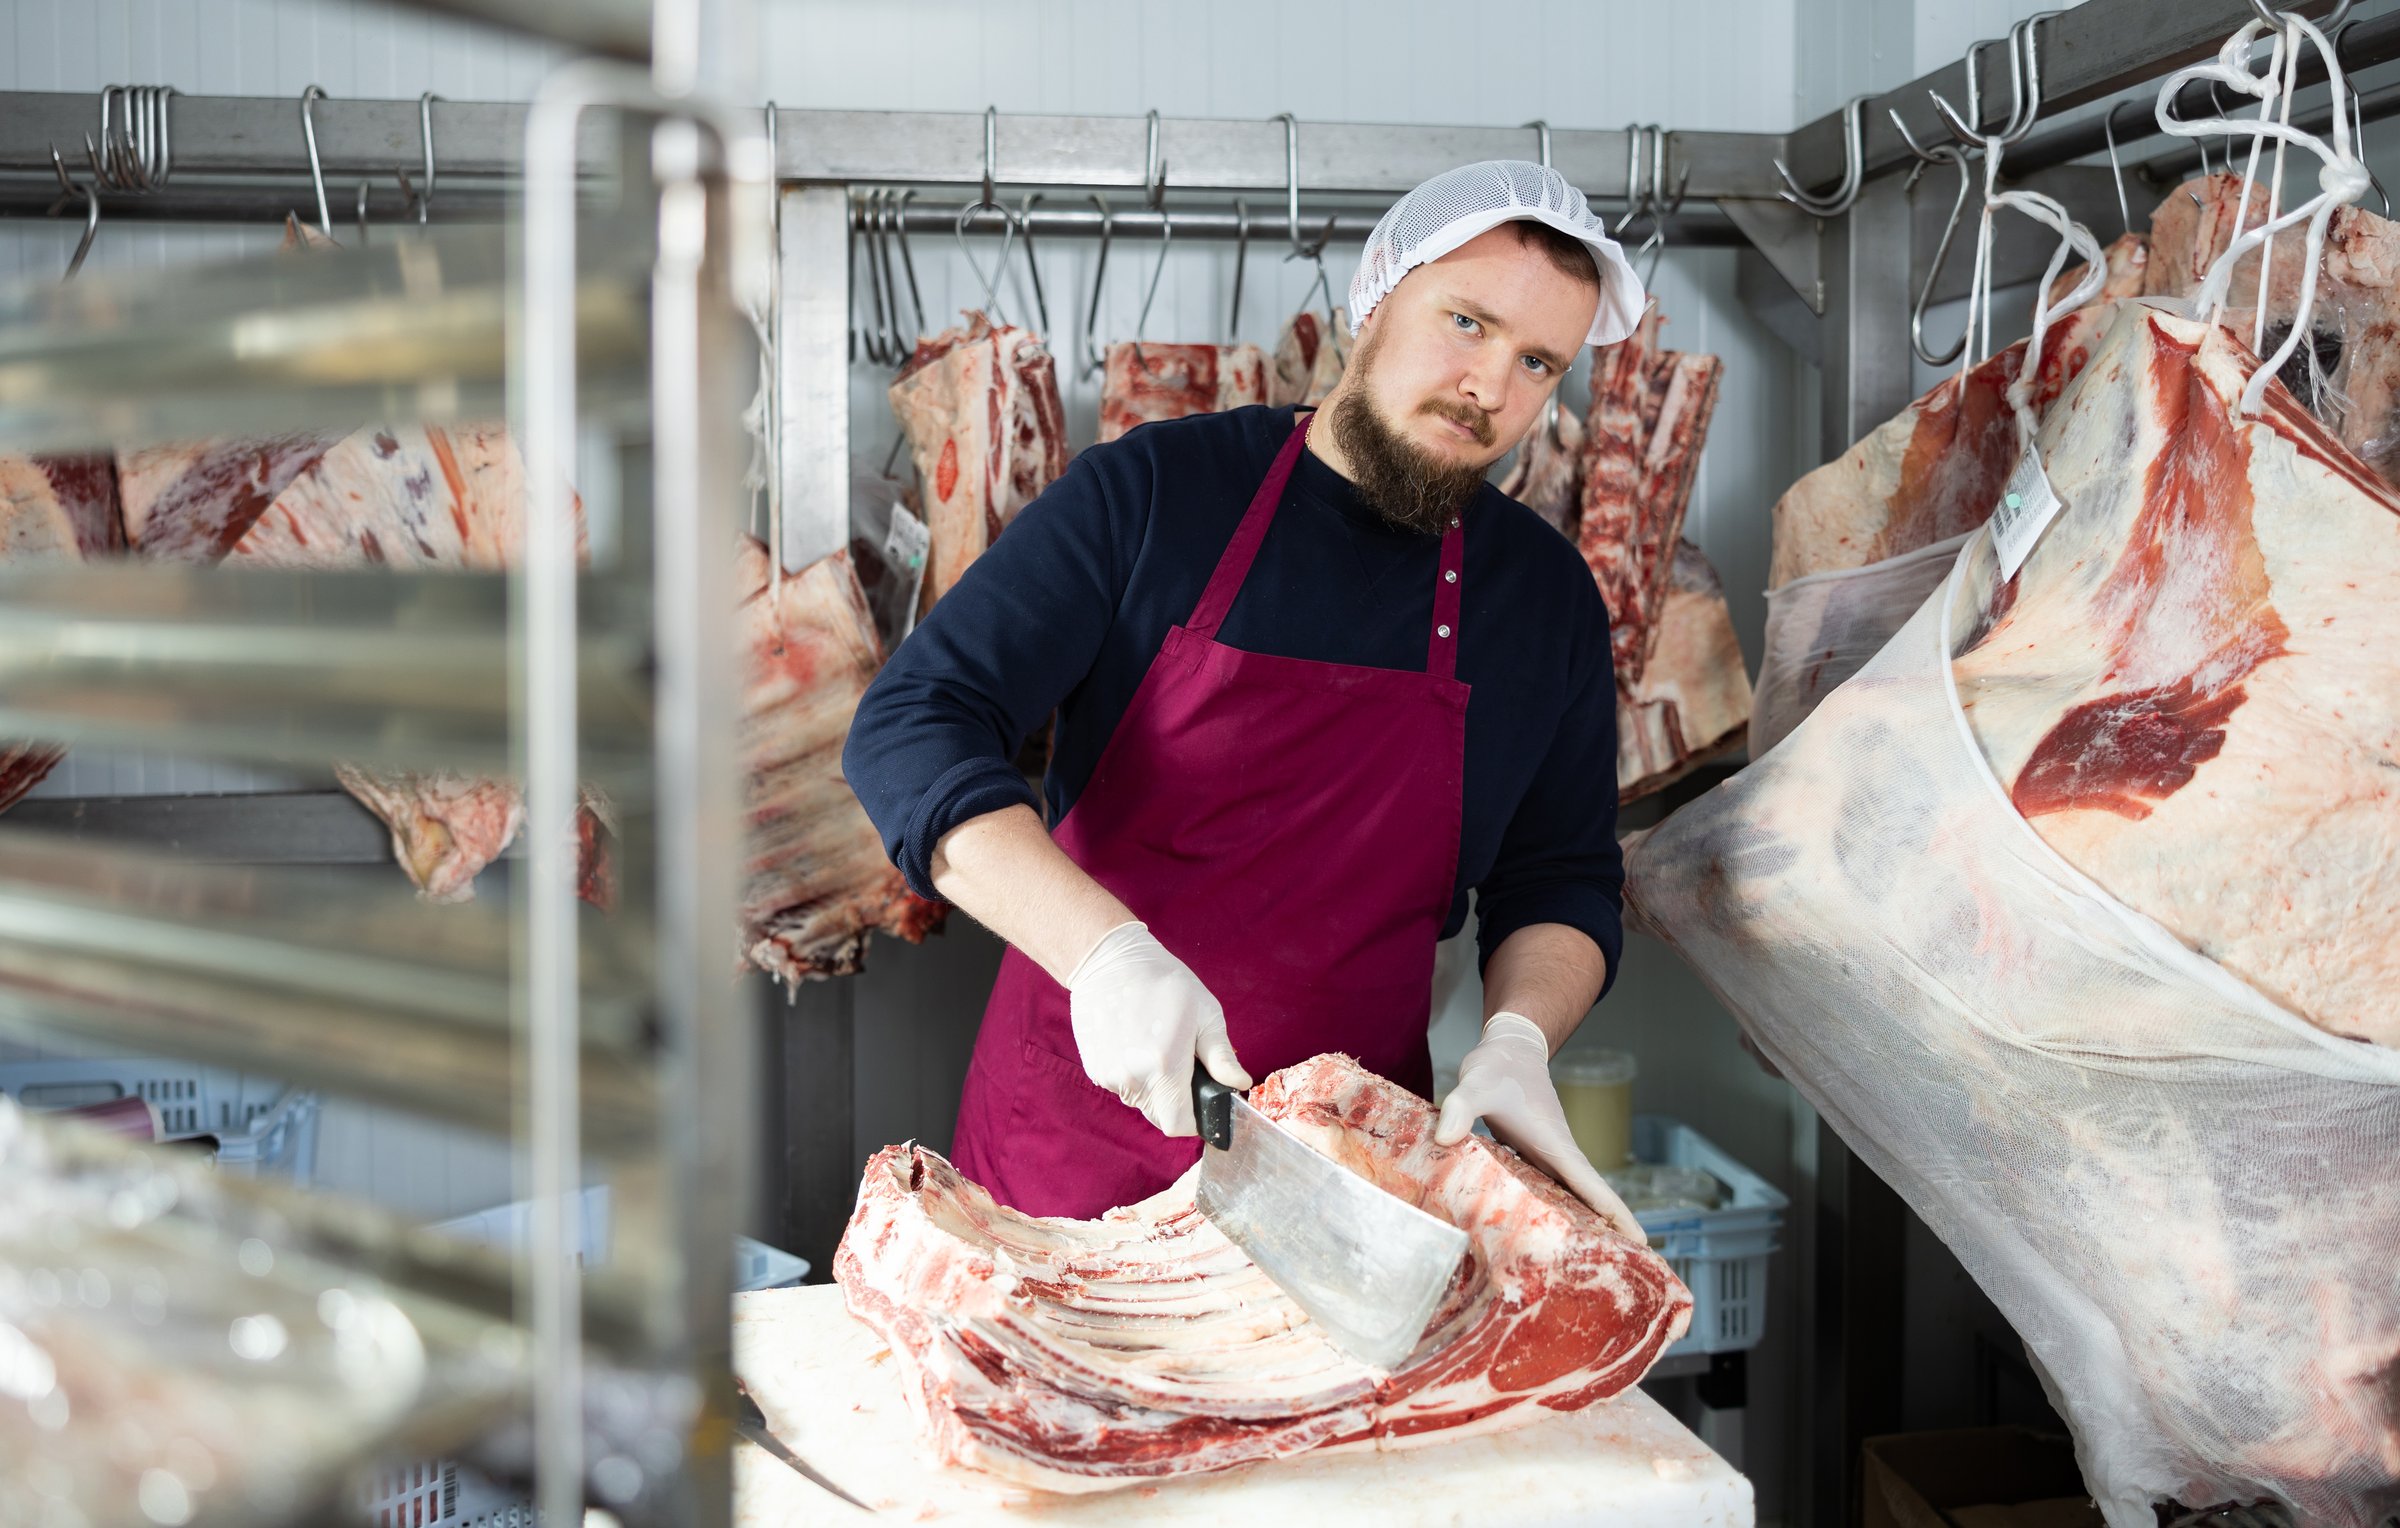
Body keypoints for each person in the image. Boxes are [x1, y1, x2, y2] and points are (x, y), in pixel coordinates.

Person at [844, 161, 1647, 1233]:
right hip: (1074, 1165)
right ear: (1375, 300)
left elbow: (1564, 877)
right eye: (1466, 321)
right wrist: (1105, 954)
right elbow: (913, 723)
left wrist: (1519, 1039)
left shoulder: (1544, 602)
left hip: (1349, 1179)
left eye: (1537, 361)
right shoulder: (1156, 495)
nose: (1490, 387)